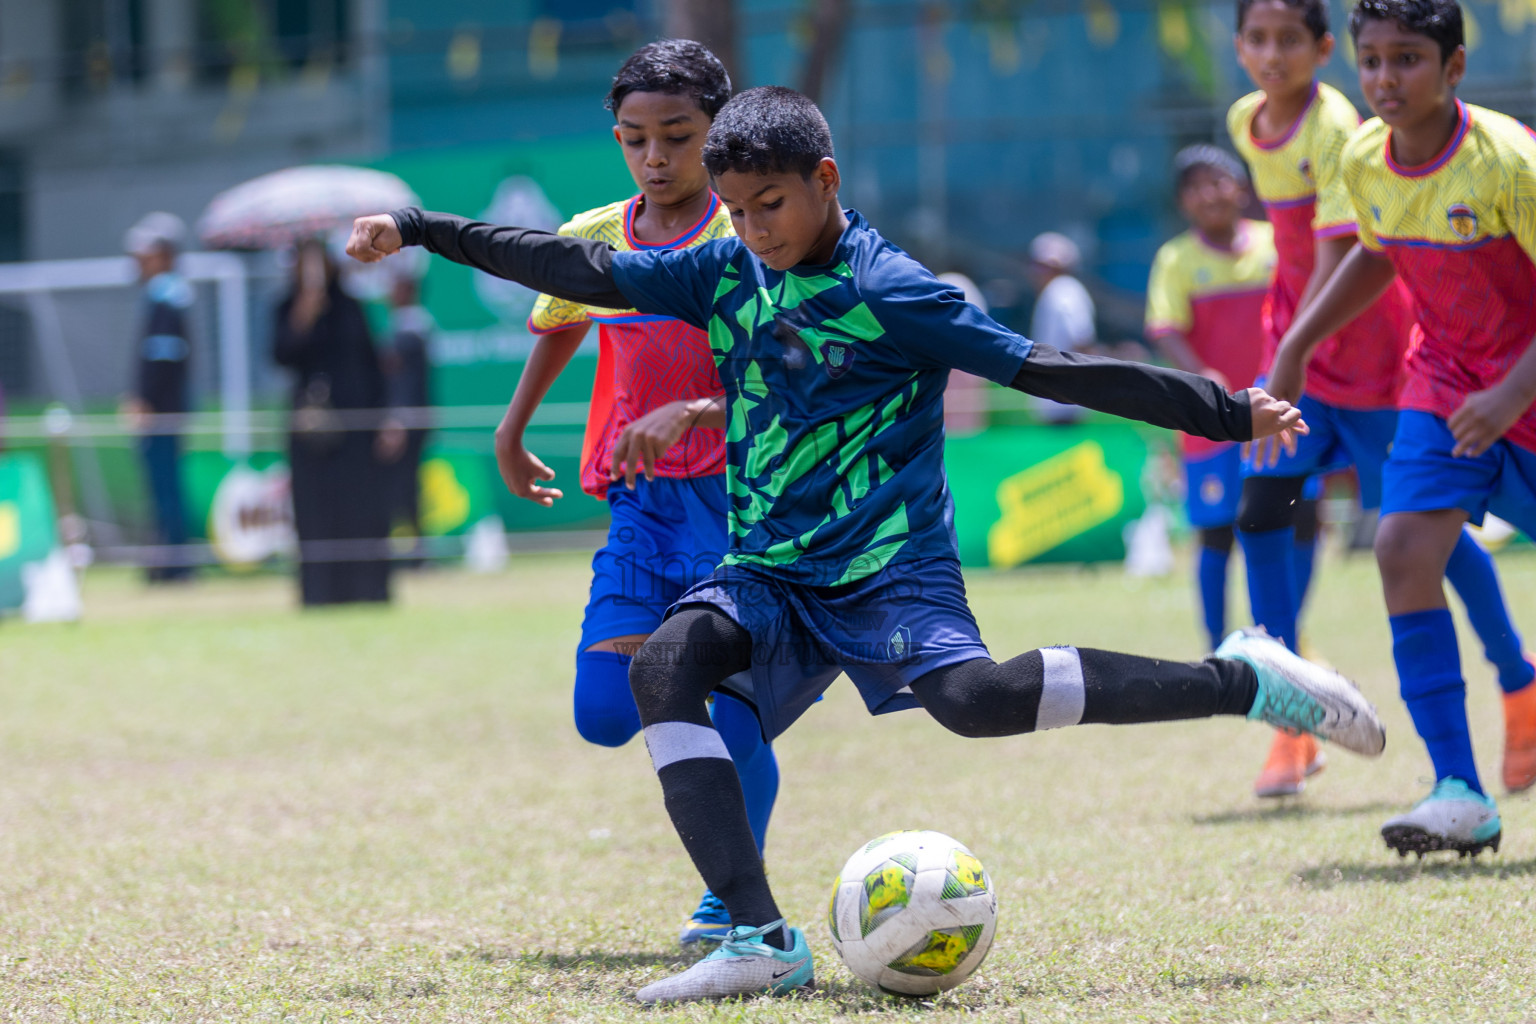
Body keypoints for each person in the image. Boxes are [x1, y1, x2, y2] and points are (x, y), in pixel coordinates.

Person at [347, 85, 1384, 1003]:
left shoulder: (895, 292)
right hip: (769, 569)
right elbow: (576, 265)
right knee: (665, 663)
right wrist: (420, 225)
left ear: (825, 179)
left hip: (890, 569)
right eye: (739, 210)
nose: (754, 229)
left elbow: (1051, 369)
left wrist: (1223, 409)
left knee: (975, 705)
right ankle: (756, 934)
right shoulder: (722, 269)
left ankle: (1239, 680)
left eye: (773, 206)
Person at [491, 39, 780, 945]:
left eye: (678, 137)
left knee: (722, 710)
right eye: (634, 139)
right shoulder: (593, 236)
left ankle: (732, 899)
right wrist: (513, 428)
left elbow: (796, 366)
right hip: (639, 502)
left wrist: (702, 409)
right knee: (606, 712)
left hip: (738, 504)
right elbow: (559, 320)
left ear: (716, 135)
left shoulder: (750, 236)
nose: (655, 158)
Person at [1228, 0, 1529, 799]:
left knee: (1433, 539)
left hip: (1389, 378)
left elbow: (1344, 254)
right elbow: (1359, 252)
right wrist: (1286, 350)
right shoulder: (1258, 128)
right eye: (1255, 39)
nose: (1270, 55)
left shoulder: (1350, 136)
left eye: (1288, 38)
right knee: (1278, 516)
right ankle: (1302, 724)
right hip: (1360, 374)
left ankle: (1518, 678)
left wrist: (1509, 394)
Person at [1144, 146, 1276, 652]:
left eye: (1218, 181)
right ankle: (1218, 649)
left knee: (1292, 520)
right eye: (1195, 187)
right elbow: (1164, 328)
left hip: (1276, 414)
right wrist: (1203, 377)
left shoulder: (1274, 245)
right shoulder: (1175, 259)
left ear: (1242, 189)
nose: (1210, 194)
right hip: (1211, 421)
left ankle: (1282, 638)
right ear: (1183, 203)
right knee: (1216, 533)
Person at [274, 238, 397, 606]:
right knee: (314, 512)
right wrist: (306, 310)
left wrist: (388, 417)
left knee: (362, 509)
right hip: (311, 430)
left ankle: (367, 591)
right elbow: (281, 355)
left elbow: (375, 366)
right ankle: (320, 594)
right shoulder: (286, 307)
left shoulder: (352, 307)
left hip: (356, 427)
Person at [122, 212, 195, 582]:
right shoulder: (166, 295)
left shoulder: (168, 298)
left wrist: (145, 401)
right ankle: (169, 560)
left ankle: (175, 565)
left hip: (162, 412)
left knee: (166, 486)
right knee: (163, 486)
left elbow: (162, 360)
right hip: (165, 409)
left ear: (164, 255)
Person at [382, 272, 433, 554]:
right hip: (411, 421)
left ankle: (415, 553)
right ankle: (412, 551)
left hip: (405, 424)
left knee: (405, 487)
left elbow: (406, 383)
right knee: (406, 486)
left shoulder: (410, 331)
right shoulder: (412, 326)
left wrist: (397, 422)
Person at [1026, 232, 1096, 425]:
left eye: (1045, 267)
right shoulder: (1057, 291)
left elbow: (1082, 340)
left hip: (1065, 399)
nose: (1039, 272)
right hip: (1060, 398)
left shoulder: (1065, 290)